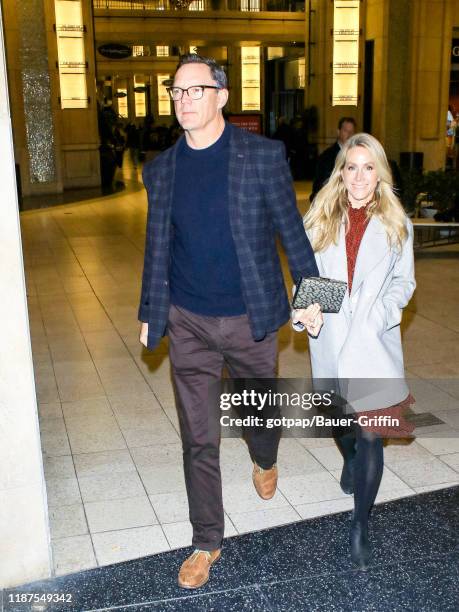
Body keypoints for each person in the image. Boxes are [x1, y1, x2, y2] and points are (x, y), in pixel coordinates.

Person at [138, 53, 319, 589]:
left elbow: (293, 233)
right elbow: (157, 248)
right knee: (198, 436)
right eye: (176, 92)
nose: (184, 100)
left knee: (258, 419)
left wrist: (315, 298)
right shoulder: (162, 169)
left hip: (250, 317)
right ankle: (206, 541)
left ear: (221, 95)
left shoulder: (262, 157)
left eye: (195, 90)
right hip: (188, 319)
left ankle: (265, 459)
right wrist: (152, 312)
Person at [293, 132, 416, 570]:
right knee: (342, 426)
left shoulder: (397, 223)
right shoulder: (319, 219)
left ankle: (361, 523)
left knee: (371, 433)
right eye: (352, 167)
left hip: (373, 343)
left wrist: (382, 312)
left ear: (379, 173)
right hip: (330, 336)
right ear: (340, 172)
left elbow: (405, 282)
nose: (360, 176)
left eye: (368, 167)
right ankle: (349, 460)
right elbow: (305, 280)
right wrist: (306, 310)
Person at [310, 117, 356, 202]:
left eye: (352, 132)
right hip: (333, 200)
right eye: (346, 131)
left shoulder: (359, 155)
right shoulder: (327, 156)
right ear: (338, 132)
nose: (349, 135)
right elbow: (320, 184)